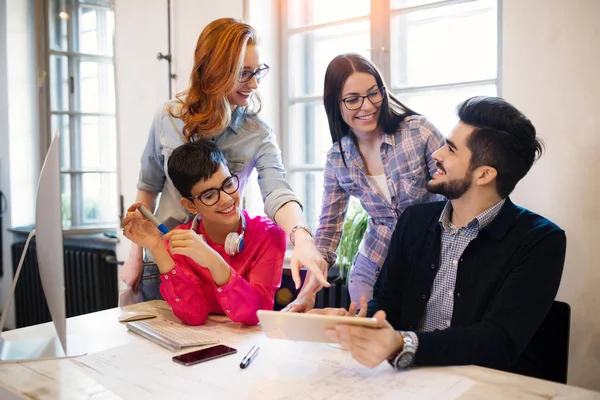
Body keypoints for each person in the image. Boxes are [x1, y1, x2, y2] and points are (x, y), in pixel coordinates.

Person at [320, 96, 566, 378]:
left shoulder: (541, 241)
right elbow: (387, 303)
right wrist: (354, 324)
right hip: (407, 381)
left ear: (484, 174)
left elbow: (499, 341)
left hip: (483, 387)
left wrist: (404, 343)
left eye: (450, 150)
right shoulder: (414, 221)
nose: (436, 154)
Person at [120, 18, 328, 301]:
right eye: (244, 74)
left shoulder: (257, 131)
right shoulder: (168, 117)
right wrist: (135, 256)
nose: (254, 83)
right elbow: (148, 186)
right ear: (214, 71)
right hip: (165, 264)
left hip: (220, 267)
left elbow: (277, 189)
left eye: (257, 72)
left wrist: (301, 236)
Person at [285, 53, 444, 311]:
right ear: (335, 104)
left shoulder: (418, 132)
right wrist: (306, 294)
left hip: (429, 251)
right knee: (367, 333)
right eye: (353, 100)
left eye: (373, 94)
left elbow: (456, 194)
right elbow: (328, 231)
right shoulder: (339, 158)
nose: (367, 106)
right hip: (374, 260)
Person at [121, 141, 286, 325]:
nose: (226, 199)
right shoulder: (180, 241)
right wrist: (158, 248)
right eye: (209, 196)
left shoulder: (270, 234)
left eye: (228, 183)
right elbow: (193, 315)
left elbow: (256, 315)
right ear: (191, 206)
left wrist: (213, 260)